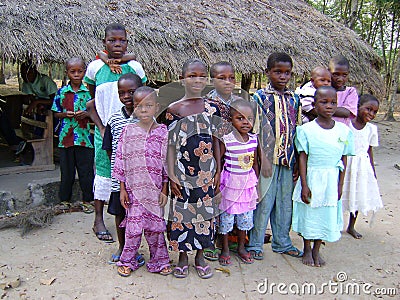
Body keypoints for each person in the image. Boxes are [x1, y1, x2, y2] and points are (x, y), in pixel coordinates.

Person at [84, 23, 147, 242]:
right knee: (105, 172)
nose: (117, 44)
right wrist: (102, 127)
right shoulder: (94, 68)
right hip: (106, 130)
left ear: (127, 42)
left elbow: (143, 94)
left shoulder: (135, 67)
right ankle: (99, 219)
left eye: (122, 40)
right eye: (112, 40)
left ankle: (132, 217)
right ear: (104, 42)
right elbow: (93, 98)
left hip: (133, 127)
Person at [166, 58, 220, 279]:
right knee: (182, 213)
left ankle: (200, 256)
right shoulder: (174, 108)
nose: (196, 80)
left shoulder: (213, 107)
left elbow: (217, 140)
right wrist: (171, 176)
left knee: (204, 213)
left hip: (206, 172)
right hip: (181, 171)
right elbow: (169, 145)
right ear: (182, 79)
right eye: (191, 76)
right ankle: (182, 257)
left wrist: (217, 169)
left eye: (201, 76)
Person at [246, 52, 303, 260]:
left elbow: (297, 130)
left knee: (284, 203)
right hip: (267, 161)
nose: (283, 76)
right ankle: (255, 243)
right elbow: (256, 130)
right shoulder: (260, 97)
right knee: (263, 202)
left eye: (287, 73)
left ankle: (282, 242)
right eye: (278, 72)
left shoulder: (294, 99)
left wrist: (297, 159)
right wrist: (262, 159)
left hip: (288, 160)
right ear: (268, 72)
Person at [292, 86, 354, 267]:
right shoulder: (306, 130)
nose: (329, 106)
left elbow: (344, 159)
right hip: (312, 176)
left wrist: (340, 185)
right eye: (323, 102)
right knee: (309, 212)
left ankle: (317, 249)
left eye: (333, 102)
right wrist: (304, 184)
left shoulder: (343, 131)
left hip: (331, 180)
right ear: (314, 105)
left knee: (325, 214)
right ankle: (307, 248)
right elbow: (302, 158)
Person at [113, 86, 172, 277]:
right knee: (133, 228)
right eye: (139, 106)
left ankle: (160, 260)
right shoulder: (128, 131)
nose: (144, 110)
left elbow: (165, 163)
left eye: (148, 105)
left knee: (156, 228)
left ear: (157, 107)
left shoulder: (163, 132)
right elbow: (121, 160)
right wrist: (122, 189)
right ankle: (127, 260)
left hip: (154, 191)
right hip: (133, 191)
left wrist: (164, 189)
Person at [101, 73, 144, 263]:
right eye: (122, 92)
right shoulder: (114, 120)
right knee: (120, 214)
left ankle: (135, 249)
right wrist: (118, 171)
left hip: (141, 179)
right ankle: (122, 247)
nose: (126, 96)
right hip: (120, 180)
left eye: (131, 92)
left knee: (138, 216)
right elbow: (109, 149)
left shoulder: (147, 118)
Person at [203, 61, 239, 261]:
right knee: (213, 199)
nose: (227, 82)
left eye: (231, 78)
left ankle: (228, 238)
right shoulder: (207, 103)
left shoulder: (238, 103)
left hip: (234, 159)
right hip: (212, 158)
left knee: (231, 199)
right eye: (221, 78)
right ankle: (210, 240)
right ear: (212, 80)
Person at [218, 99, 259, 266]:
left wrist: (255, 182)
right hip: (230, 184)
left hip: (247, 185)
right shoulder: (227, 140)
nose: (245, 122)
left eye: (249, 118)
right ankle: (225, 248)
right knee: (227, 218)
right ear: (231, 120)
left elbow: (255, 162)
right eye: (240, 118)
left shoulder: (254, 139)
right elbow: (219, 161)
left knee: (245, 219)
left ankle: (242, 247)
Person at [51, 57, 94, 210]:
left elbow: (95, 113)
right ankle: (64, 201)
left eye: (79, 71)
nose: (76, 74)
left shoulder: (89, 93)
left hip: (85, 138)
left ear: (84, 72)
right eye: (72, 71)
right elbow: (56, 113)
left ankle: (88, 201)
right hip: (66, 138)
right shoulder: (62, 92)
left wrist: (86, 114)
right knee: (67, 171)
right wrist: (66, 114)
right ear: (67, 73)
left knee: (86, 171)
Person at [341, 94, 383, 239]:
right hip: (347, 163)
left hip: (362, 166)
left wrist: (372, 170)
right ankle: (335, 225)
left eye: (374, 112)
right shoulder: (347, 125)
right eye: (368, 109)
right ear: (358, 106)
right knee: (342, 193)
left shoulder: (371, 129)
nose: (371, 114)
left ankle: (351, 226)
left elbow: (369, 150)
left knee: (358, 194)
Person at [21, 61, 58, 136]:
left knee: (50, 118)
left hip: (54, 103)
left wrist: (36, 102)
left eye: (26, 73)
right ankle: (38, 134)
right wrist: (38, 104)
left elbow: (54, 100)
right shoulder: (26, 82)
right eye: (22, 73)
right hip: (41, 102)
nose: (23, 76)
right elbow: (31, 97)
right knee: (37, 115)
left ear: (33, 71)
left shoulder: (45, 80)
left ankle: (52, 132)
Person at [328, 55, 358, 126]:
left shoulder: (350, 92)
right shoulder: (322, 89)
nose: (340, 79)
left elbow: (346, 112)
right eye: (336, 74)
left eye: (344, 75)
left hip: (342, 133)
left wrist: (322, 109)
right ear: (328, 72)